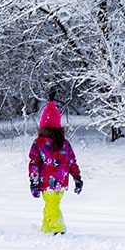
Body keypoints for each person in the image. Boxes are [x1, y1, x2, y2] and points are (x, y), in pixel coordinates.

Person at [28, 100, 82, 235]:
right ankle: (46, 229)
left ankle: (58, 229)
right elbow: (72, 162)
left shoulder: (39, 143)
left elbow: (34, 163)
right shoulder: (64, 143)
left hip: (47, 183)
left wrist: (33, 182)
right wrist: (77, 178)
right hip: (62, 182)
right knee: (51, 205)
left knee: (52, 206)